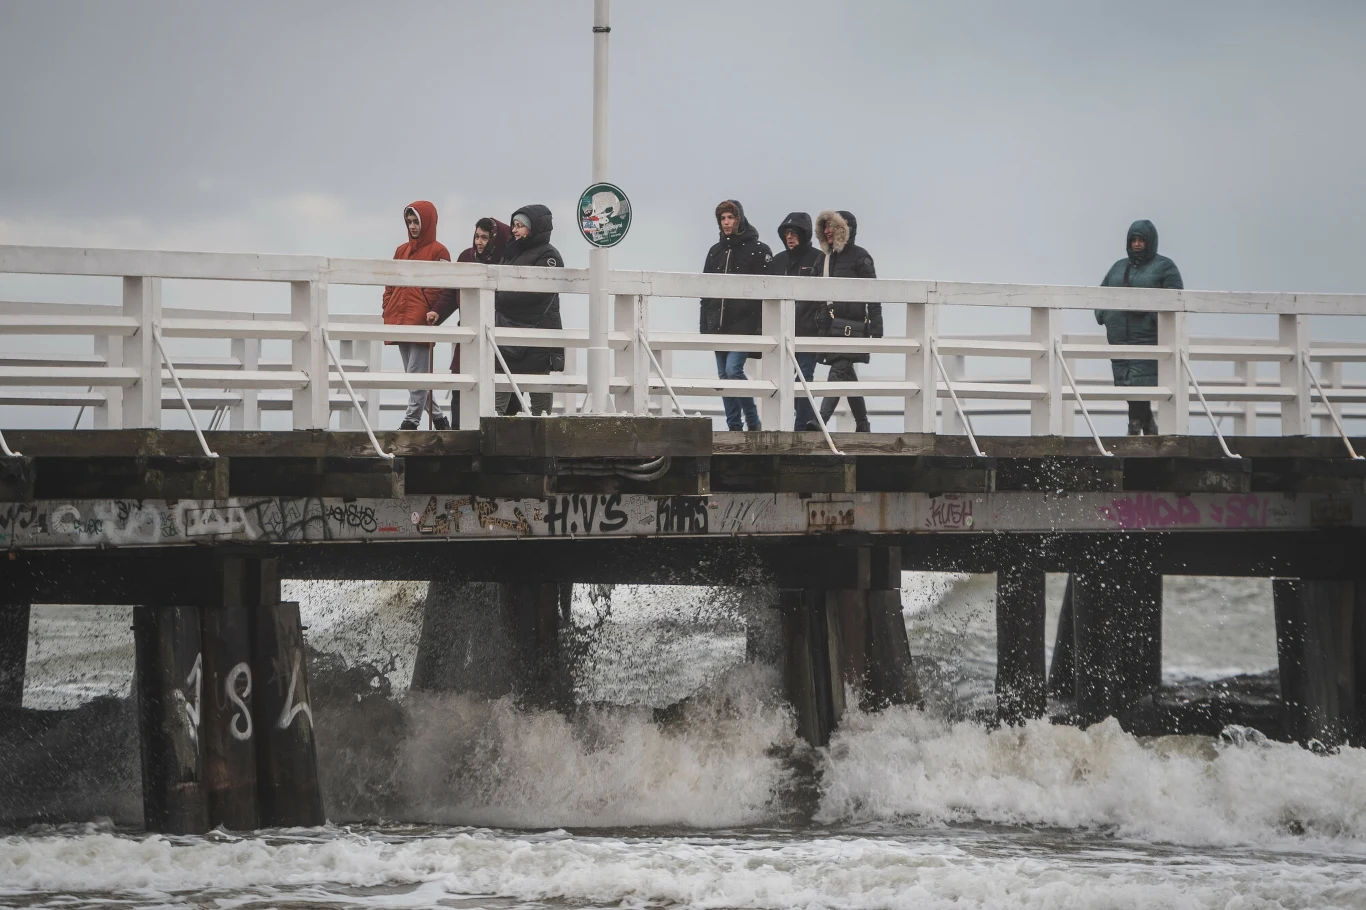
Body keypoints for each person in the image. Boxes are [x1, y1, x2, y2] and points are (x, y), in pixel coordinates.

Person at [1095, 219, 1184, 435]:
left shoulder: (1165, 267)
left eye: (1141, 240)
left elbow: (1176, 301)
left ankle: (1134, 429)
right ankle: (1148, 426)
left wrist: (1150, 317)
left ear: (1150, 242)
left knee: (1139, 381)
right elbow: (1100, 294)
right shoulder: (1118, 267)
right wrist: (1103, 315)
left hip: (1146, 338)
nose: (1136, 244)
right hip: (1118, 337)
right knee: (1127, 382)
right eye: (1133, 240)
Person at [430, 217, 511, 427]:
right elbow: (451, 292)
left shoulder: (507, 260)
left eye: (484, 237)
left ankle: (501, 435)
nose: (479, 242)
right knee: (462, 382)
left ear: (495, 238)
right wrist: (438, 313)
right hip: (467, 333)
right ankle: (460, 432)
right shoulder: (466, 257)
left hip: (498, 336)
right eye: (477, 236)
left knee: (500, 385)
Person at [700, 200, 772, 431]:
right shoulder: (715, 251)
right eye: (723, 218)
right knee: (724, 376)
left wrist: (760, 326)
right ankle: (734, 426)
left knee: (733, 370)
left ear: (739, 218)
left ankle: (752, 420)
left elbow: (767, 291)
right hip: (717, 324)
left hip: (744, 324)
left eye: (731, 217)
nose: (727, 222)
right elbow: (705, 290)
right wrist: (704, 325)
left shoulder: (758, 250)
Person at [382, 201, 451, 430]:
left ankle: (411, 420)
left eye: (417, 222)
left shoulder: (439, 251)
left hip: (421, 319)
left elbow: (441, 287)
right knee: (413, 375)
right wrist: (387, 306)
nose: (412, 226)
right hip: (399, 318)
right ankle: (440, 419)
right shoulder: (401, 250)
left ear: (428, 222)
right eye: (409, 222)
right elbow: (390, 283)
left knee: (415, 374)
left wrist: (429, 308)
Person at [814, 210, 881, 432]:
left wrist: (876, 329)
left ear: (843, 229)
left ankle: (820, 421)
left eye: (831, 226)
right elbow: (811, 294)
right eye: (825, 227)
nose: (826, 231)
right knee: (846, 374)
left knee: (839, 371)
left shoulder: (861, 256)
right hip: (830, 326)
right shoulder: (823, 259)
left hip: (854, 327)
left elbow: (874, 294)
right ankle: (863, 424)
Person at [494, 205, 564, 416]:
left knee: (540, 402)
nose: (514, 230)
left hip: (537, 333)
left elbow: (540, 292)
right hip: (508, 331)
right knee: (497, 395)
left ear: (535, 229)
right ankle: (489, 437)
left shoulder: (549, 255)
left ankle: (544, 442)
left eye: (520, 226)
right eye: (514, 225)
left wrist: (502, 297)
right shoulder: (511, 252)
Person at [768, 212, 825, 430]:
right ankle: (781, 425)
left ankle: (802, 427)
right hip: (781, 331)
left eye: (794, 233)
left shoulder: (817, 258)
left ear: (804, 234)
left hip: (808, 330)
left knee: (804, 378)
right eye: (786, 233)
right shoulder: (778, 260)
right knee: (779, 380)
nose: (789, 237)